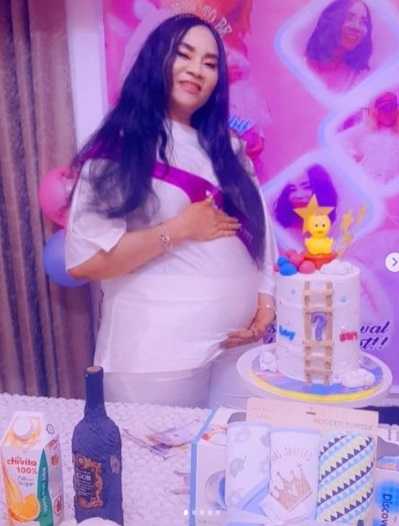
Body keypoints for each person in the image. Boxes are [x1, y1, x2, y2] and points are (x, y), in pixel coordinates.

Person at [65, 14, 277, 408]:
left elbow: (261, 231)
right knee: (157, 449)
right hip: (157, 354)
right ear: (156, 59)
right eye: (184, 54)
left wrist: (265, 300)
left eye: (210, 63)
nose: (197, 70)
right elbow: (84, 261)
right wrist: (179, 229)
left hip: (237, 347)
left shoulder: (228, 147)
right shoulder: (123, 145)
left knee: (235, 445)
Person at [340, 91, 399, 184]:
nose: (388, 113)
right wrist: (354, 155)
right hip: (368, 183)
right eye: (384, 109)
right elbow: (340, 141)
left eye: (392, 108)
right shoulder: (364, 129)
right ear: (376, 111)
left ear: (396, 111)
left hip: (392, 185)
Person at [305, 0, 373, 92]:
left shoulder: (360, 77)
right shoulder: (304, 65)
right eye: (349, 17)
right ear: (331, 21)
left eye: (363, 22)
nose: (356, 27)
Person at [273, 164, 338, 250]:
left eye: (307, 187)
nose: (299, 195)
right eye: (292, 189)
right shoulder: (284, 228)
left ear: (320, 187)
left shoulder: (334, 225)